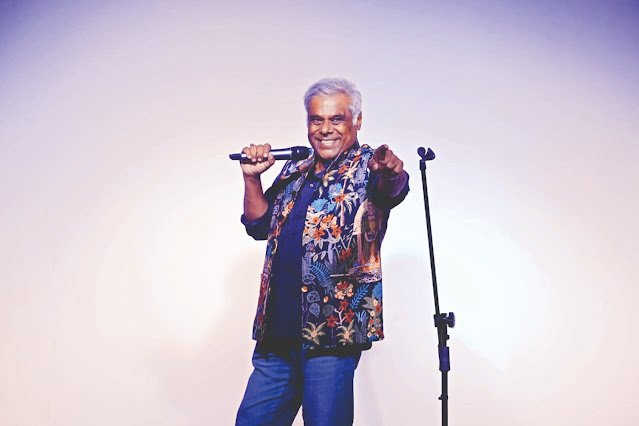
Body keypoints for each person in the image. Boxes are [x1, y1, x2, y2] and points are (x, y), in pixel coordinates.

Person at [236, 78, 409, 426]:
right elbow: (259, 225)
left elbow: (391, 190)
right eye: (317, 119)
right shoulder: (295, 168)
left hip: (331, 334)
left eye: (336, 119)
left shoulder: (370, 167)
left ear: (357, 121)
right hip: (277, 333)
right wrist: (252, 178)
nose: (325, 129)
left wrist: (392, 173)